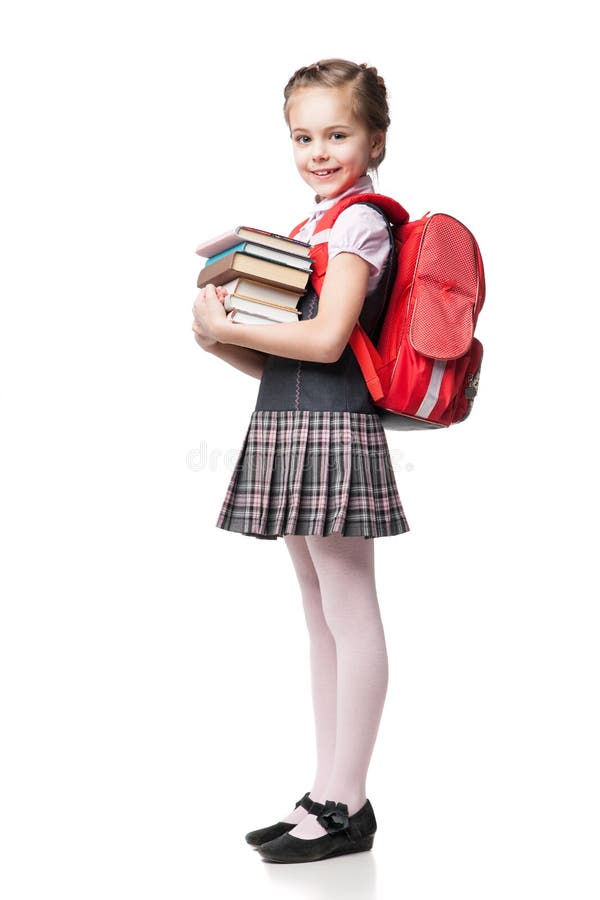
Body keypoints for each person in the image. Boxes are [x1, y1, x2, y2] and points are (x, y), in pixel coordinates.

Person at [191, 58, 409, 863]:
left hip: (331, 427)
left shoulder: (357, 224)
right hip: (291, 419)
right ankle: (326, 791)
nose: (319, 151)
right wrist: (216, 338)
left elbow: (322, 340)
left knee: (349, 610)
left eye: (338, 133)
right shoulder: (307, 227)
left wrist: (231, 328)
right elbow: (289, 359)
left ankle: (349, 804)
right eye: (303, 136)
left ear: (376, 138)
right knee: (321, 614)